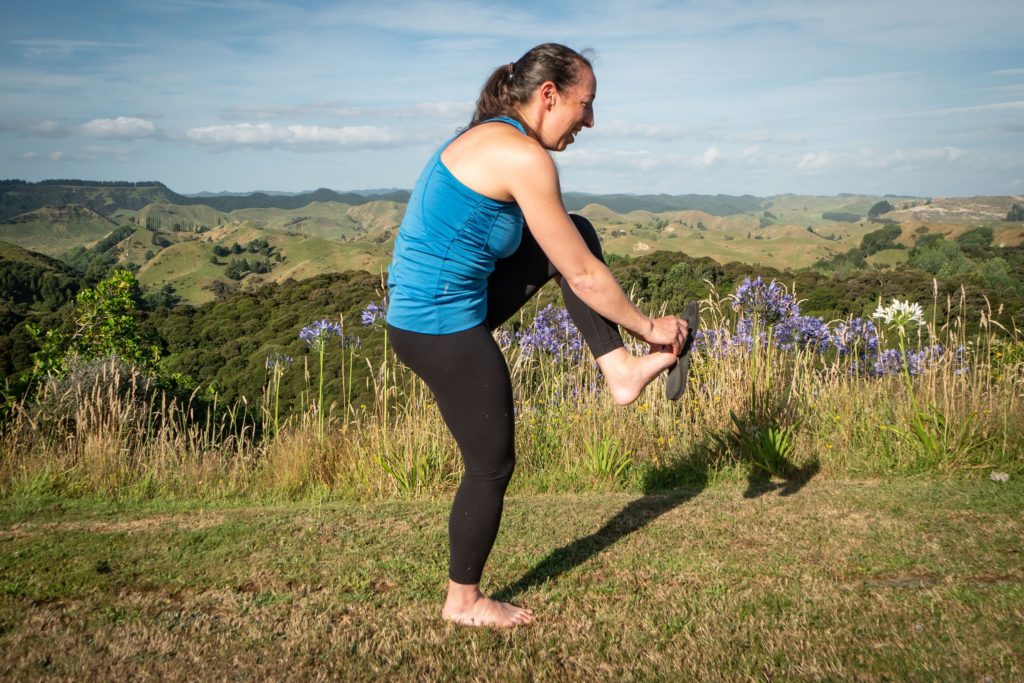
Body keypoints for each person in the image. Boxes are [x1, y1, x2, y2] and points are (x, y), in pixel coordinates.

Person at [385, 43, 690, 628]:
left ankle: (619, 370)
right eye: (587, 104)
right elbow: (582, 274)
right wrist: (653, 327)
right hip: (438, 326)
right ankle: (463, 601)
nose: (591, 121)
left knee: (572, 230)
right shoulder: (522, 155)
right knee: (491, 465)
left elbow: (564, 252)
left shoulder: (491, 135)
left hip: (445, 307)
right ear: (549, 95)